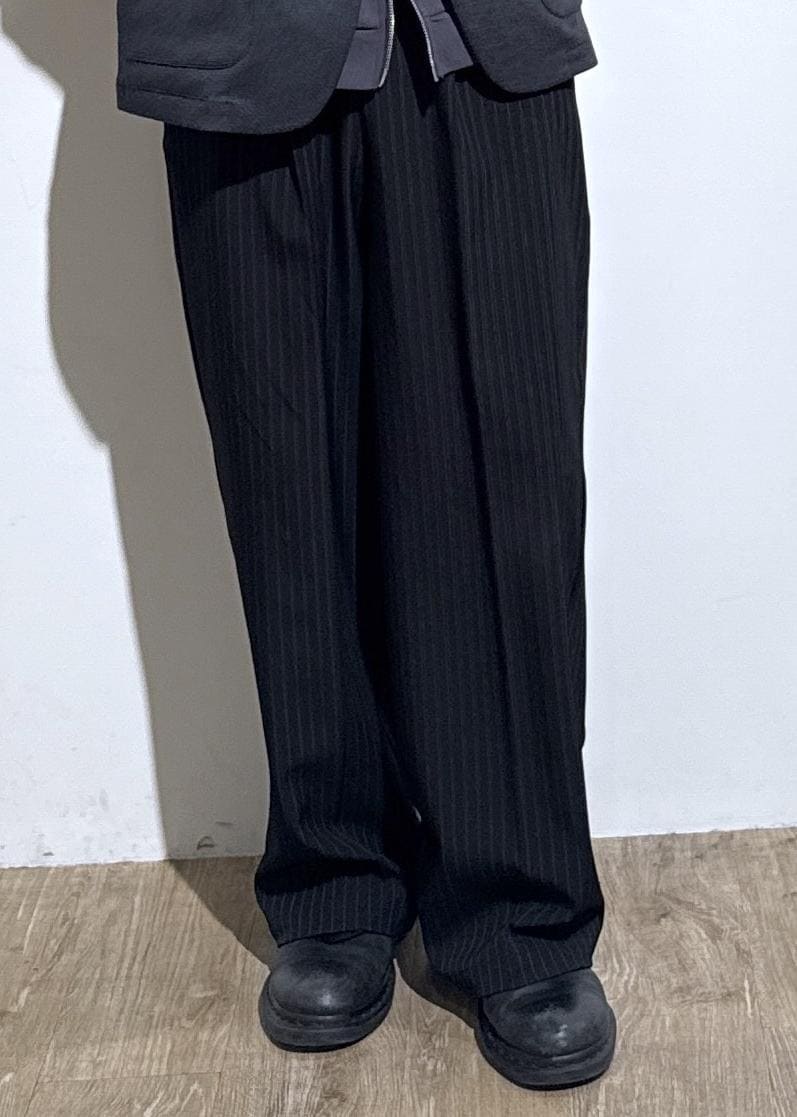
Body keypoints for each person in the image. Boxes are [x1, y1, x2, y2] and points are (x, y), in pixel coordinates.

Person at [116, 0, 616, 1090]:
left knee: (506, 490)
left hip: (483, 44)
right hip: (238, 45)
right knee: (286, 477)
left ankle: (520, 905)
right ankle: (335, 881)